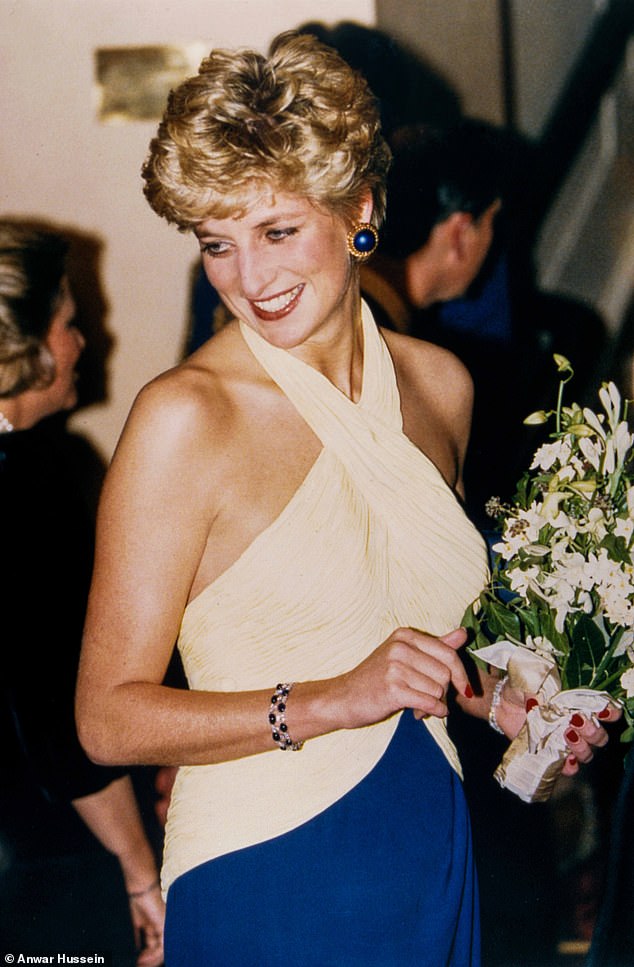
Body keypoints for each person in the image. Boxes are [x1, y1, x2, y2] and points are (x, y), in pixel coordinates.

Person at [75, 31, 614, 966]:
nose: (251, 280)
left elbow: (420, 636)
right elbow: (106, 717)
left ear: (359, 207)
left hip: (433, 849)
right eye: (218, 244)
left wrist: (513, 705)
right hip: (266, 871)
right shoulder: (184, 420)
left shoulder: (442, 384)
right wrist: (329, 699)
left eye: (277, 231)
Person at [0, 221, 165, 966]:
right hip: (41, 861)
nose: (81, 343)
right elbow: (58, 725)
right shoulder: (27, 481)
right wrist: (140, 874)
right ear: (22, 348)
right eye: (69, 324)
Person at [359, 120, 606, 528]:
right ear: (459, 234)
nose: (493, 241)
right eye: (491, 222)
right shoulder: (402, 358)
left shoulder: (368, 300)